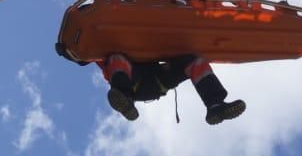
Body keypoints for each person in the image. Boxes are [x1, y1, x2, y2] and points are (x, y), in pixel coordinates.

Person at [97, 53, 246, 125]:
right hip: (132, 84)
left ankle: (216, 105)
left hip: (156, 80)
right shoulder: (102, 47)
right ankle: (125, 101)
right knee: (117, 58)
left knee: (194, 61)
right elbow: (77, 56)